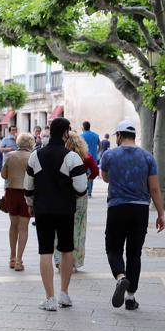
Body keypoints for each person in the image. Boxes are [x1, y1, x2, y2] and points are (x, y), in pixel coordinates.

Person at [100, 120, 165, 310]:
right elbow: (154, 188)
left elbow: (105, 177)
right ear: (134, 136)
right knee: (134, 254)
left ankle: (121, 277)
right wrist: (161, 214)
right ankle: (130, 297)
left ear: (119, 136)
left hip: (117, 208)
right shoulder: (147, 157)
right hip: (140, 210)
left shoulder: (109, 155)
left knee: (113, 248)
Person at [24, 118, 88, 311]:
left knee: (45, 251)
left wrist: (30, 203)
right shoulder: (72, 157)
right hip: (65, 209)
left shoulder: (35, 156)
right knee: (67, 250)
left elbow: (28, 187)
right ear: (65, 133)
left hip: (43, 209)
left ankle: (49, 298)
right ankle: (64, 294)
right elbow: (81, 187)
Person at [53, 132, 99, 271]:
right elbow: (95, 171)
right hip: (80, 195)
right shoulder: (86, 156)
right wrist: (86, 178)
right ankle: (73, 261)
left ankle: (59, 259)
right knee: (78, 228)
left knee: (59, 227)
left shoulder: (61, 156)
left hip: (61, 194)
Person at [1, 133, 35, 271]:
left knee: (13, 225)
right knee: (24, 228)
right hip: (26, 194)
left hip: (11, 192)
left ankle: (12, 257)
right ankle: (19, 260)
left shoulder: (10, 156)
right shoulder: (33, 157)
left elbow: (4, 174)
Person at [80, 121, 100, 197]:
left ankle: (85, 189)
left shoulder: (81, 135)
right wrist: (96, 152)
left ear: (83, 127)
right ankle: (89, 192)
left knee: (84, 174)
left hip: (84, 158)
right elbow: (100, 145)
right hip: (93, 158)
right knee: (92, 174)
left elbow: (79, 146)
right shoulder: (95, 135)